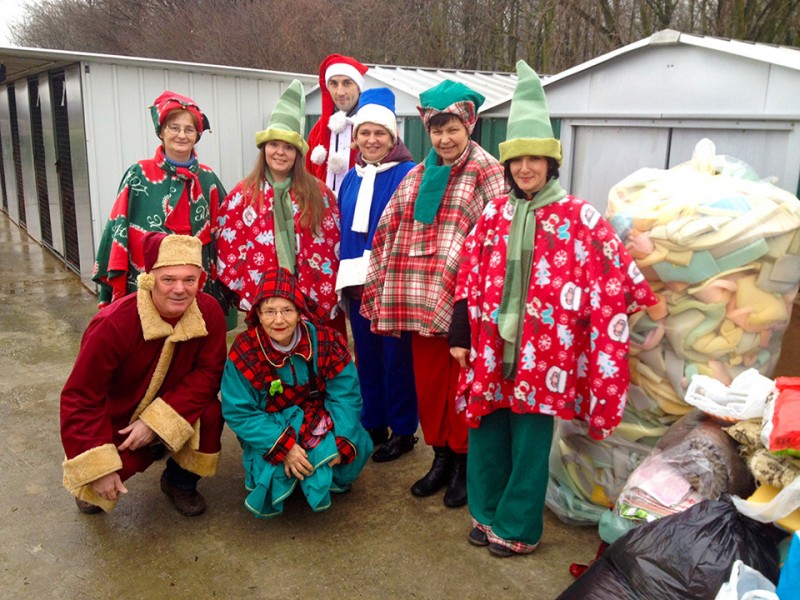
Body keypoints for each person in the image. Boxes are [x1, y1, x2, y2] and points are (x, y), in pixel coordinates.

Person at [450, 61, 657, 557]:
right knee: (486, 430)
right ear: (507, 163)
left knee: (529, 442)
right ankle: (485, 513)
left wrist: (646, 305)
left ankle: (517, 527)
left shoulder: (578, 217)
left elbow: (615, 272)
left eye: (536, 159)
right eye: (518, 159)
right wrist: (460, 330)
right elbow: (467, 272)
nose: (526, 168)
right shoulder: (494, 212)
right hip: (490, 347)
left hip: (544, 357)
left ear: (551, 163)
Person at [360, 80, 505, 507]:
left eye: (452, 129)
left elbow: (499, 234)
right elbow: (388, 229)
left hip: (466, 306)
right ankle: (439, 456)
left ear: (470, 125)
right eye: (436, 130)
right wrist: (379, 288)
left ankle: (462, 463)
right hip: (420, 303)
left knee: (463, 384)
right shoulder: (420, 174)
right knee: (430, 383)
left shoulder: (488, 171)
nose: (444, 139)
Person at [61, 233, 227, 516]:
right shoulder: (112, 324)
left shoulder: (209, 311)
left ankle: (178, 481)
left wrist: (157, 423)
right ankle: (94, 480)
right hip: (120, 414)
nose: (180, 289)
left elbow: (210, 373)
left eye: (189, 280)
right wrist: (97, 467)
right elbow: (81, 396)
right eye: (169, 279)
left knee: (211, 414)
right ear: (150, 278)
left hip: (175, 404)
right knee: (98, 483)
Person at [221, 268, 372, 518]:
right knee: (273, 472)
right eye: (269, 311)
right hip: (271, 424)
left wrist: (343, 437)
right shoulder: (244, 349)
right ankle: (291, 475)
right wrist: (284, 447)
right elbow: (239, 411)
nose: (279, 320)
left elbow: (345, 395)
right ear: (257, 313)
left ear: (300, 312)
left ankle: (323, 475)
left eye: (287, 310)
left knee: (350, 451)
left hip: (318, 417)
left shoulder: (327, 340)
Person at [216, 79, 343, 334]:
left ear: (298, 153)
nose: (280, 152)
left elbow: (331, 245)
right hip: (264, 297)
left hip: (307, 296)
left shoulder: (320, 194)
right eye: (274, 144)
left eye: (288, 147)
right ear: (264, 148)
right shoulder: (243, 194)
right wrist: (247, 286)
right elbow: (229, 244)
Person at [335, 88, 418, 462]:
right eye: (365, 133)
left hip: (392, 283)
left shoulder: (407, 174)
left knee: (396, 360)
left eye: (379, 133)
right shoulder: (351, 178)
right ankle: (374, 422)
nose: (371, 140)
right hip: (356, 282)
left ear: (392, 137)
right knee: (365, 356)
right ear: (355, 138)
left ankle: (403, 430)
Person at [93, 91, 226, 309]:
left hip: (195, 281)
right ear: (162, 131)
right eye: (174, 127)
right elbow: (117, 226)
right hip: (146, 276)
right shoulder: (138, 173)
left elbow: (225, 228)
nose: (181, 135)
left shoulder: (207, 178)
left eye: (189, 129)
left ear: (197, 135)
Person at [306, 54, 368, 196]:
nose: (340, 92)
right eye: (334, 84)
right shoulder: (318, 130)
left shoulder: (374, 128)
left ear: (358, 87)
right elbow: (307, 176)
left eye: (347, 83)